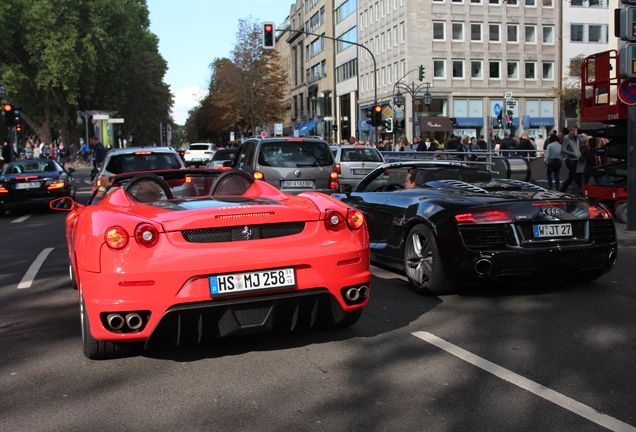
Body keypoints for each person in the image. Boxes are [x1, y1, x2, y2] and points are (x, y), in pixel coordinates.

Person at [559, 126, 584, 193]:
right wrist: (573, 153)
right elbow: (563, 149)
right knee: (573, 175)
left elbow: (577, 148)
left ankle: (563, 189)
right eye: (573, 130)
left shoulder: (577, 138)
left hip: (575, 158)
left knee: (571, 177)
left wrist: (578, 153)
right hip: (569, 159)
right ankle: (581, 187)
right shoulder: (567, 139)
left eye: (576, 130)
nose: (574, 132)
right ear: (570, 131)